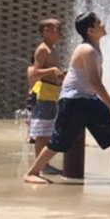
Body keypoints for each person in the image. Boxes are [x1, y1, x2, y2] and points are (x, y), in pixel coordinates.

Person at [23, 12, 110, 184]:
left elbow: (93, 82)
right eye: (99, 22)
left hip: (86, 99)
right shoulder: (87, 50)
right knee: (60, 139)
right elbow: (95, 81)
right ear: (91, 30)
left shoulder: (94, 48)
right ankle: (32, 172)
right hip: (74, 101)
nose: (103, 24)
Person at [29, 19, 66, 173]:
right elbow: (34, 72)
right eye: (57, 28)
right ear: (46, 31)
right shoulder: (43, 49)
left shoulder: (52, 49)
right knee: (43, 132)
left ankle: (45, 164)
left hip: (51, 93)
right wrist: (52, 70)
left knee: (48, 130)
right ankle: (42, 165)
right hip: (44, 92)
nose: (61, 30)